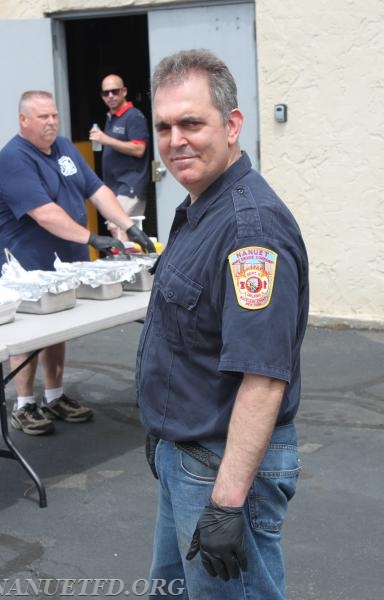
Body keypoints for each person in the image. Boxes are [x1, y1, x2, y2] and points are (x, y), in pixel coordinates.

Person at [136, 49, 309, 599]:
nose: (175, 140)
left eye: (192, 123)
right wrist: (164, 432)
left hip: (221, 472)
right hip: (186, 456)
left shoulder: (249, 231)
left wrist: (228, 501)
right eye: (164, 126)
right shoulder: (200, 208)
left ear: (232, 125)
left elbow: (263, 378)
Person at [0, 90, 155, 436]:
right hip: (24, 265)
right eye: (42, 117)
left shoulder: (64, 148)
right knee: (28, 336)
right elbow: (44, 213)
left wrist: (127, 227)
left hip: (63, 262)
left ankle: (55, 395)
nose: (51, 122)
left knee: (57, 330)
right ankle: (24, 404)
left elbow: (98, 191)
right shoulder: (13, 158)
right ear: (23, 120)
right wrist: (92, 238)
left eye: (53, 115)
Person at [89, 73, 150, 241]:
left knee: (120, 227)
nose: (110, 96)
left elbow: (139, 149)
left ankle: (133, 266)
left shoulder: (133, 116)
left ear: (124, 91)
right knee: (117, 229)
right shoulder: (111, 117)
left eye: (114, 91)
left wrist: (105, 139)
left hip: (130, 185)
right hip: (114, 186)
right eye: (105, 93)